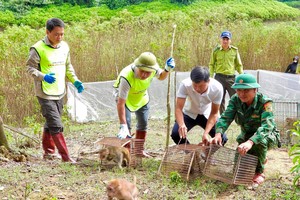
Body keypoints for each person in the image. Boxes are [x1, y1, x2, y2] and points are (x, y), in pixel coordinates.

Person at [26, 18, 84, 163]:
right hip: (45, 93)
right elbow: (29, 68)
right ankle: (66, 157)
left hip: (60, 91)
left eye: (62, 34)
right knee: (56, 124)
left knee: (50, 122)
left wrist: (75, 80)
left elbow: (68, 66)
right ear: (47, 32)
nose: (59, 37)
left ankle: (49, 152)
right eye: (56, 34)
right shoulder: (37, 48)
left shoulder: (64, 47)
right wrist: (43, 76)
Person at [210, 73, 280, 187]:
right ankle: (260, 157)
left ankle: (259, 172)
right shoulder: (235, 100)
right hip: (246, 135)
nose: (242, 94)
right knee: (240, 168)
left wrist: (250, 142)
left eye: (246, 90)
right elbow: (226, 117)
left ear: (255, 90)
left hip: (267, 135)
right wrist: (218, 133)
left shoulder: (266, 102)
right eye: (238, 90)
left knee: (259, 142)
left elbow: (267, 126)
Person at [113, 52, 175, 157]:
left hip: (141, 98)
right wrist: (122, 125)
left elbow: (161, 76)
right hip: (125, 100)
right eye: (142, 71)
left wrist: (167, 69)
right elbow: (121, 103)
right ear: (137, 66)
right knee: (126, 126)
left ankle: (139, 151)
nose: (144, 75)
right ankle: (126, 155)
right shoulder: (126, 77)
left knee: (143, 123)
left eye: (148, 73)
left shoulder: (152, 70)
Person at [171, 66, 228, 146]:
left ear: (208, 81)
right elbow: (178, 109)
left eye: (201, 86)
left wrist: (205, 133)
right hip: (189, 113)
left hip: (207, 114)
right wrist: (181, 125)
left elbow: (214, 113)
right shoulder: (185, 84)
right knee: (176, 134)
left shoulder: (217, 88)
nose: (197, 89)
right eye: (195, 85)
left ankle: (206, 154)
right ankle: (192, 154)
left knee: (222, 138)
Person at [209, 30, 244, 114]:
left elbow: (239, 65)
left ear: (230, 40)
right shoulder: (216, 51)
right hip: (219, 78)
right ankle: (223, 118)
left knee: (236, 97)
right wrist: (210, 77)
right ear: (220, 40)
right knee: (220, 99)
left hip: (231, 78)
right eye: (223, 39)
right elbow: (211, 64)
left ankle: (238, 116)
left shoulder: (234, 51)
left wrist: (242, 75)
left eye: (227, 39)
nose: (225, 41)